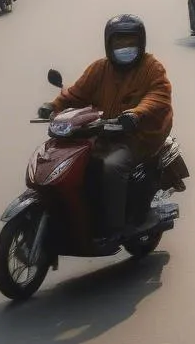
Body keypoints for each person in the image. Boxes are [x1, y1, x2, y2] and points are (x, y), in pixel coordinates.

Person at [38, 15, 173, 248]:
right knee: (71, 162)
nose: (125, 48)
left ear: (141, 44)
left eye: (130, 43)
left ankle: (114, 227)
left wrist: (136, 113)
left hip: (136, 137)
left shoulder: (152, 68)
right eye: (119, 43)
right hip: (102, 133)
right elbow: (75, 94)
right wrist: (53, 105)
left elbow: (157, 96)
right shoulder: (100, 68)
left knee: (112, 167)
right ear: (108, 44)